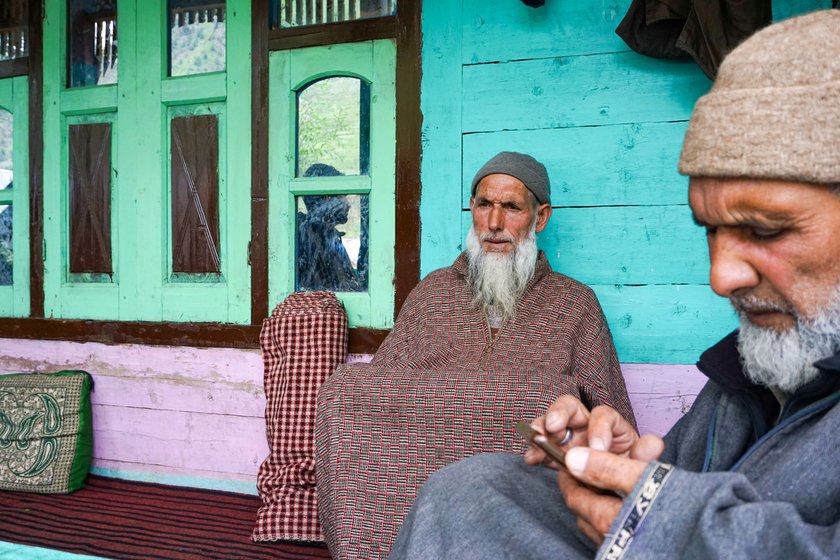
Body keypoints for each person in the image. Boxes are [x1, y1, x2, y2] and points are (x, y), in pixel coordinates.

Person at [389, 10, 840, 560]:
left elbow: (668, 509)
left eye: (765, 229)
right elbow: (671, 475)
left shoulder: (573, 303)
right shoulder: (747, 370)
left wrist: (661, 515)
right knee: (464, 491)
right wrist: (618, 465)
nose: (721, 276)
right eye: (711, 230)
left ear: (540, 218)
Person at [373, 150, 636, 426]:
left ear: (541, 217)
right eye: (485, 205)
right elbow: (372, 392)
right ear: (472, 207)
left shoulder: (574, 304)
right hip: (427, 462)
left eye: (511, 207)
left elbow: (614, 420)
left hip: (527, 465)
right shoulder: (432, 293)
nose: (495, 224)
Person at [296, 163, 365, 292]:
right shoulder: (316, 236)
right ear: (329, 198)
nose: (348, 204)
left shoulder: (323, 234)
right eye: (343, 196)